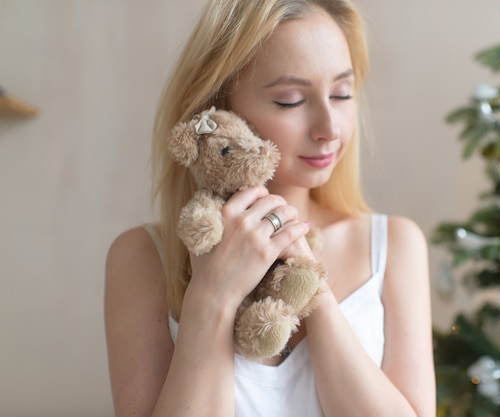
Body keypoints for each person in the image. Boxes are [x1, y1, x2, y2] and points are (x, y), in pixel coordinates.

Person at [104, 0, 435, 416]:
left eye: (342, 93)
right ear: (218, 108)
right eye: (291, 100)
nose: (329, 128)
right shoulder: (141, 257)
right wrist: (213, 295)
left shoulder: (394, 244)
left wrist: (314, 290)